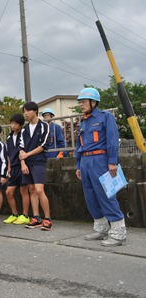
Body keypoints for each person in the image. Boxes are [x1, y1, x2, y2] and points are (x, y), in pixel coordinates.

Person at [75, 87, 126, 247]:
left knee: (106, 195)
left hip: (101, 160)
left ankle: (119, 232)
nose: (81, 104)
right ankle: (101, 228)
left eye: (83, 101)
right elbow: (79, 144)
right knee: (90, 196)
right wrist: (78, 165)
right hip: (85, 161)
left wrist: (112, 161)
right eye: (80, 101)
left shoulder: (105, 117)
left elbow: (112, 140)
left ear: (93, 102)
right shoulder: (83, 121)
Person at [19, 101, 52, 231]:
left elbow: (44, 145)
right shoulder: (24, 130)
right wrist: (23, 162)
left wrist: (27, 155)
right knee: (31, 190)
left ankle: (48, 219)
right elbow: (20, 148)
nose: (25, 114)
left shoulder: (44, 126)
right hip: (27, 163)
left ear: (35, 111)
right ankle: (36, 218)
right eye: (24, 111)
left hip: (38, 161)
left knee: (39, 190)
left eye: (27, 111)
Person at [4, 114, 31, 225]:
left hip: (22, 166)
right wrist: (9, 168)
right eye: (12, 123)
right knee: (8, 192)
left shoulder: (24, 134)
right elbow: (9, 155)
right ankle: (14, 214)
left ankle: (25, 215)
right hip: (13, 168)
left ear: (20, 125)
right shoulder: (9, 138)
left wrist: (23, 164)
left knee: (23, 191)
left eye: (15, 123)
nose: (13, 125)